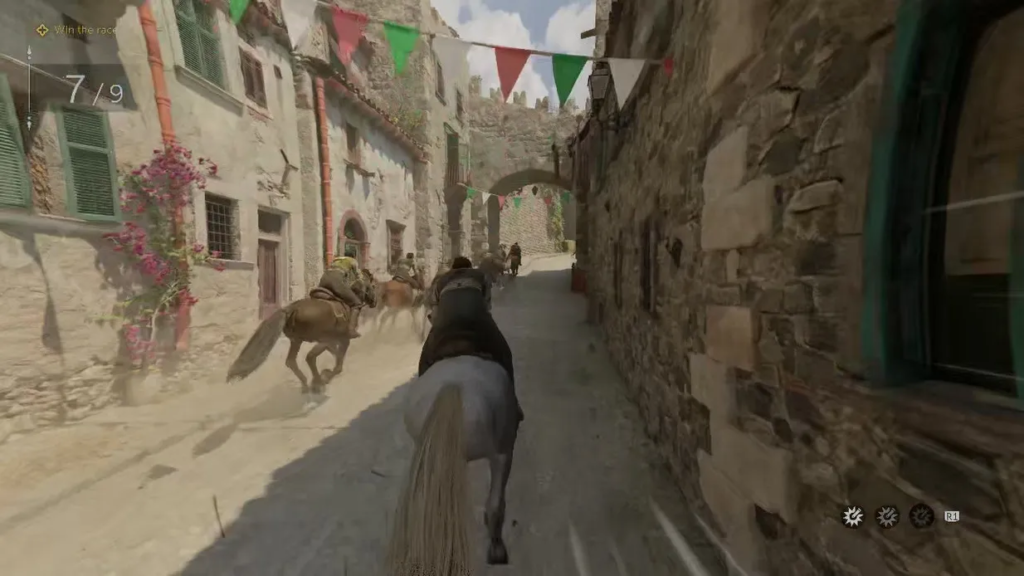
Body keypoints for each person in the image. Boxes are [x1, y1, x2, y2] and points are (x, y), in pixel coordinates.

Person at [420, 256, 522, 420]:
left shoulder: (442, 280)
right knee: (504, 352)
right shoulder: (479, 275)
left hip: (446, 323)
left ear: (453, 269)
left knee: (426, 356)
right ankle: (514, 403)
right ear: (469, 267)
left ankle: (421, 392)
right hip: (476, 318)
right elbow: (487, 305)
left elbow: (435, 309)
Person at [311, 256, 365, 337]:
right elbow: (359, 278)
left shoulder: (335, 260)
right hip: (336, 281)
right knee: (356, 303)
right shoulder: (353, 261)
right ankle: (351, 330)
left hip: (324, 279)